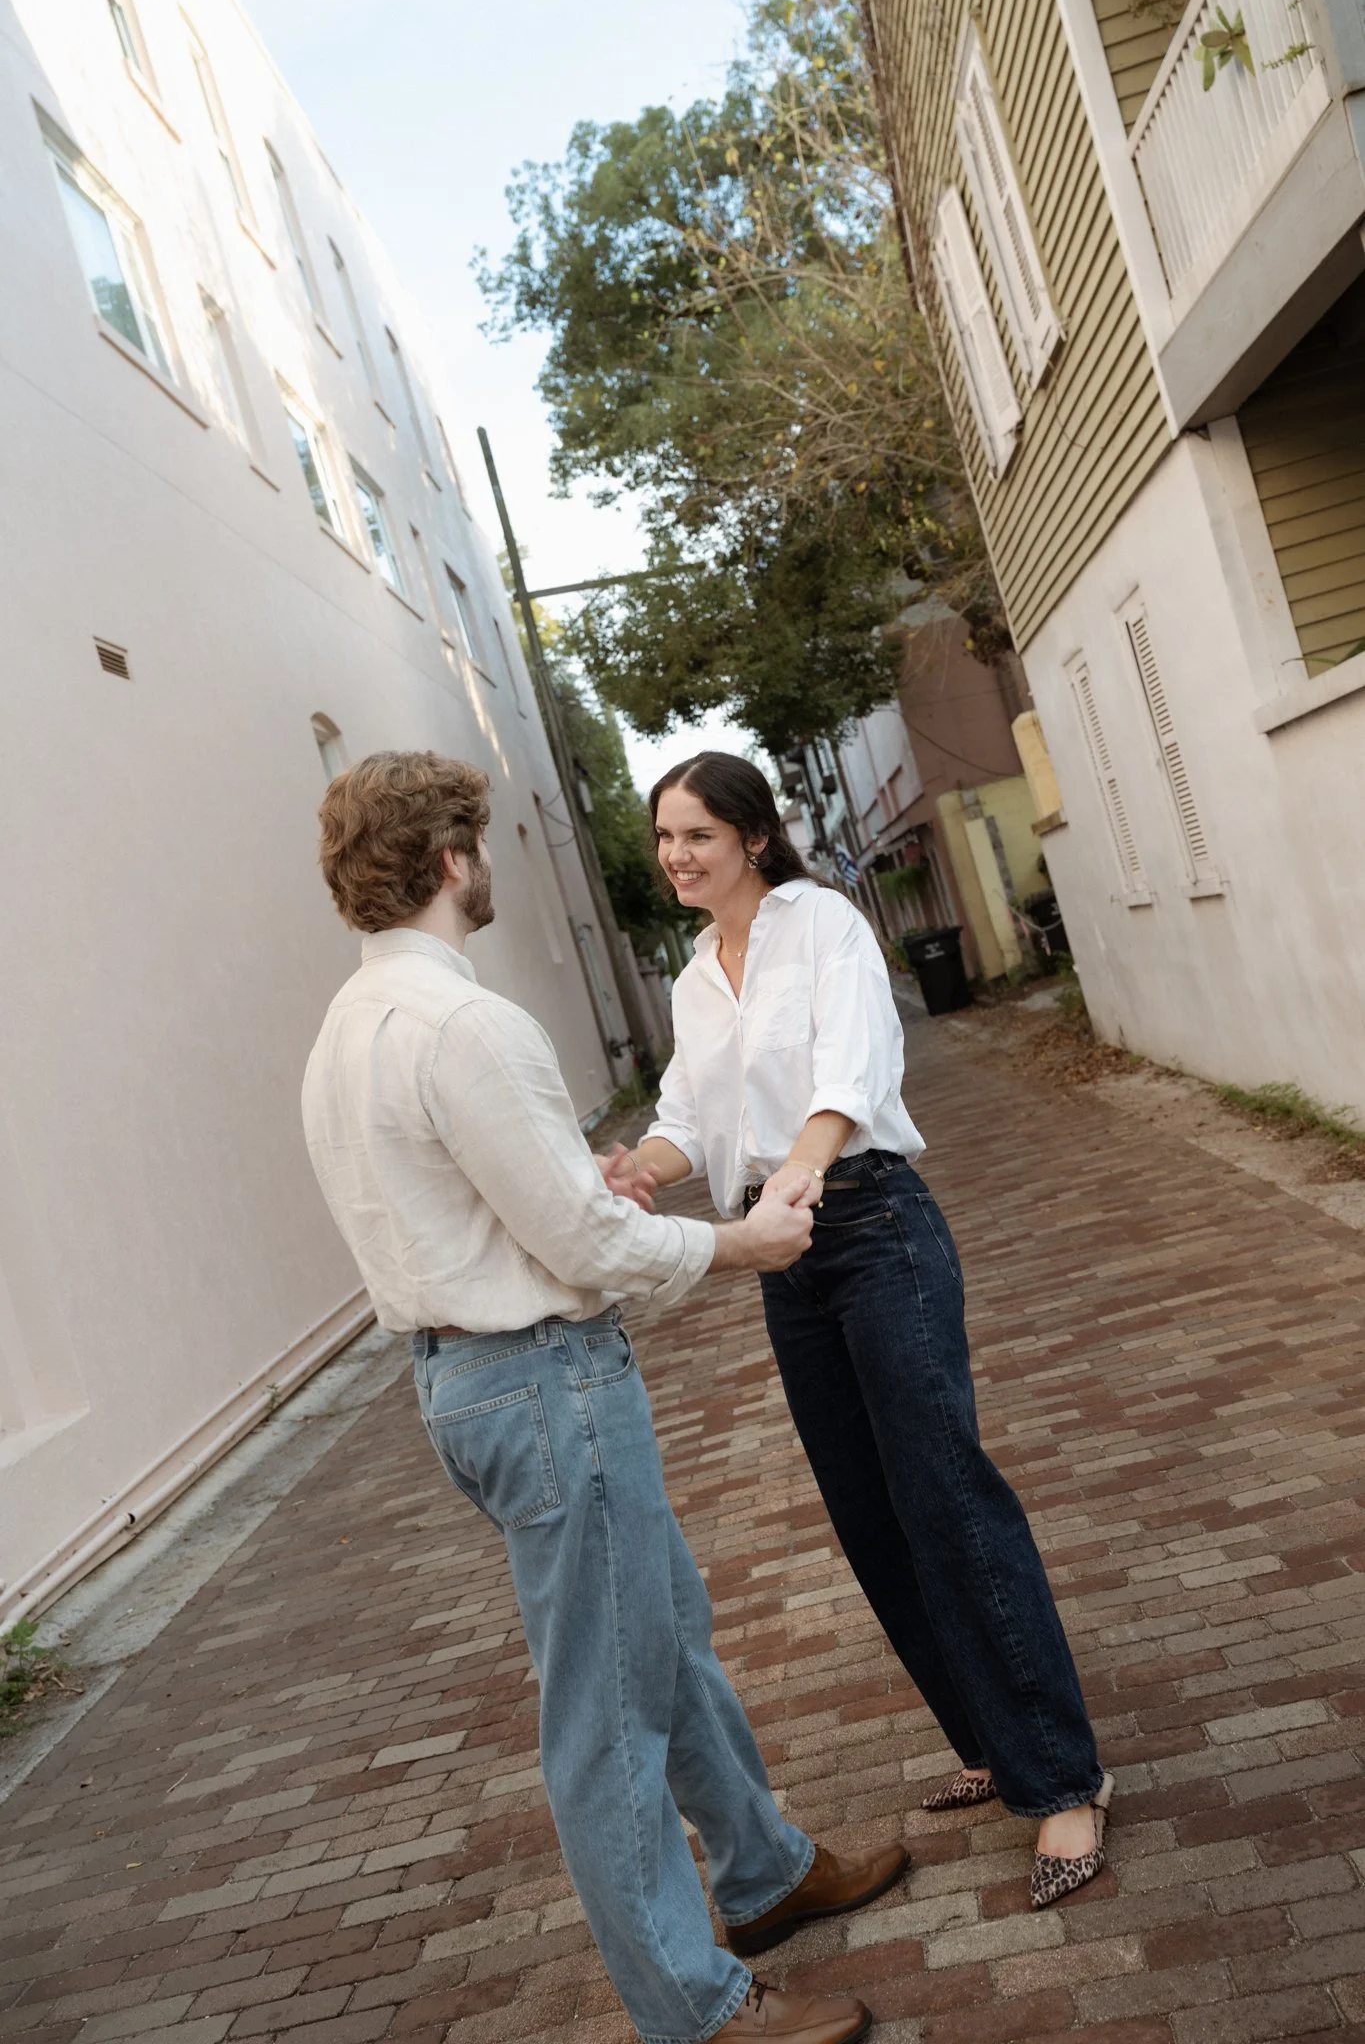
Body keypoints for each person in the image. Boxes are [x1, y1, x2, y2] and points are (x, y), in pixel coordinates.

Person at [301, 751, 908, 2044]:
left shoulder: (346, 1032)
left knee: (660, 1634)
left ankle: (763, 1870)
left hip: (466, 1386)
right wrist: (737, 1244)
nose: (485, 862)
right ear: (454, 861)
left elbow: (490, 1209)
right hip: (542, 1389)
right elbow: (587, 1251)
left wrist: (583, 1188)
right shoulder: (465, 1025)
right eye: (479, 844)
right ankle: (698, 2006)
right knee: (608, 1713)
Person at [618, 752, 1114, 1912]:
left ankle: (1065, 1781)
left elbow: (852, 1068)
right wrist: (632, 1169)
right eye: (663, 837)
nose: (677, 855)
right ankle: (991, 1745)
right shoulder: (695, 977)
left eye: (696, 833)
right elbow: (688, 1120)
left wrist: (796, 1172)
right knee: (866, 1504)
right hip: (782, 1255)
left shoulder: (822, 924)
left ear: (750, 834)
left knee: (945, 1488)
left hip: (870, 1220)